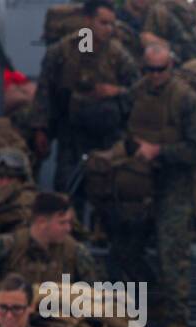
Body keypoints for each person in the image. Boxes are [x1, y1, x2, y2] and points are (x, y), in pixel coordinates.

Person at [110, 43, 196, 327]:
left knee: (172, 254)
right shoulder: (135, 95)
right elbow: (119, 130)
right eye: (149, 70)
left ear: (172, 66)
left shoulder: (187, 100)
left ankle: (178, 322)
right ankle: (155, 302)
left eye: (160, 69)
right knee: (124, 247)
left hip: (174, 188)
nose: (154, 76)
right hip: (139, 187)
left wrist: (160, 152)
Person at [30, 0, 140, 196]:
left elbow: (139, 91)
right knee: (68, 190)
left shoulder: (118, 55)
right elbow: (45, 90)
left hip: (106, 134)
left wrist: (116, 91)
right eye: (103, 23)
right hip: (72, 133)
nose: (108, 29)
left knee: (108, 191)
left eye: (111, 24)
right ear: (88, 20)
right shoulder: (66, 51)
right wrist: (41, 128)